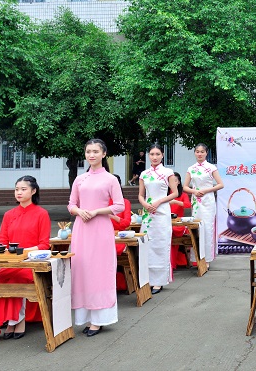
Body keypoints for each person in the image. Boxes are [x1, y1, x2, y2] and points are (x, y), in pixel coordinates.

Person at [68, 138, 125, 336]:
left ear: (104, 154)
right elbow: (71, 204)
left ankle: (99, 320)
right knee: (81, 270)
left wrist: (97, 211)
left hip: (100, 229)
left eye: (95, 151)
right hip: (81, 230)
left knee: (99, 271)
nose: (91, 155)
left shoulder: (110, 179)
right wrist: (78, 210)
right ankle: (85, 317)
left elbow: (120, 206)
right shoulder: (79, 179)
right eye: (88, 151)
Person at [0, 176, 51, 341]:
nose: (19, 192)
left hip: (31, 262)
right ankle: (8, 320)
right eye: (17, 189)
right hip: (11, 261)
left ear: (33, 191)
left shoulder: (41, 214)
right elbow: (3, 241)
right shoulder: (9, 215)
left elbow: (44, 244)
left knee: (19, 280)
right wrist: (9, 251)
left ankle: (17, 321)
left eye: (23, 189)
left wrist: (24, 251)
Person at [138, 143, 178, 293]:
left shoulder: (168, 172)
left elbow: (174, 193)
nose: (154, 157)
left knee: (161, 244)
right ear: (148, 156)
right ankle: (147, 279)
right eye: (151, 154)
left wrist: (159, 201)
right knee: (147, 244)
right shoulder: (144, 174)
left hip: (162, 210)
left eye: (157, 154)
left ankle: (159, 281)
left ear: (162, 155)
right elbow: (141, 195)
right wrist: (145, 204)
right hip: (148, 213)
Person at [184, 143, 224, 268]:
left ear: (206, 153)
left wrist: (206, 190)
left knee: (207, 229)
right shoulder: (191, 169)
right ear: (194, 153)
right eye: (197, 151)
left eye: (202, 151)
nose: (200, 154)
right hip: (196, 201)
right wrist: (194, 191)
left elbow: (220, 184)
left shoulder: (211, 167)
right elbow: (185, 186)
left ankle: (207, 259)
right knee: (197, 228)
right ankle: (196, 257)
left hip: (208, 200)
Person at [109, 175, 133, 292]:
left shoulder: (124, 202)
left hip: (120, 237)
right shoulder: (102, 201)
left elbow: (126, 223)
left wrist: (112, 216)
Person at [169, 171, 193, 269]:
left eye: (175, 181)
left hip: (178, 223)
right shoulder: (165, 193)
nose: (172, 183)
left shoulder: (182, 195)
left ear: (178, 182)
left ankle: (172, 264)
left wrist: (176, 202)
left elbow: (188, 205)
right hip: (166, 222)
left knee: (172, 232)